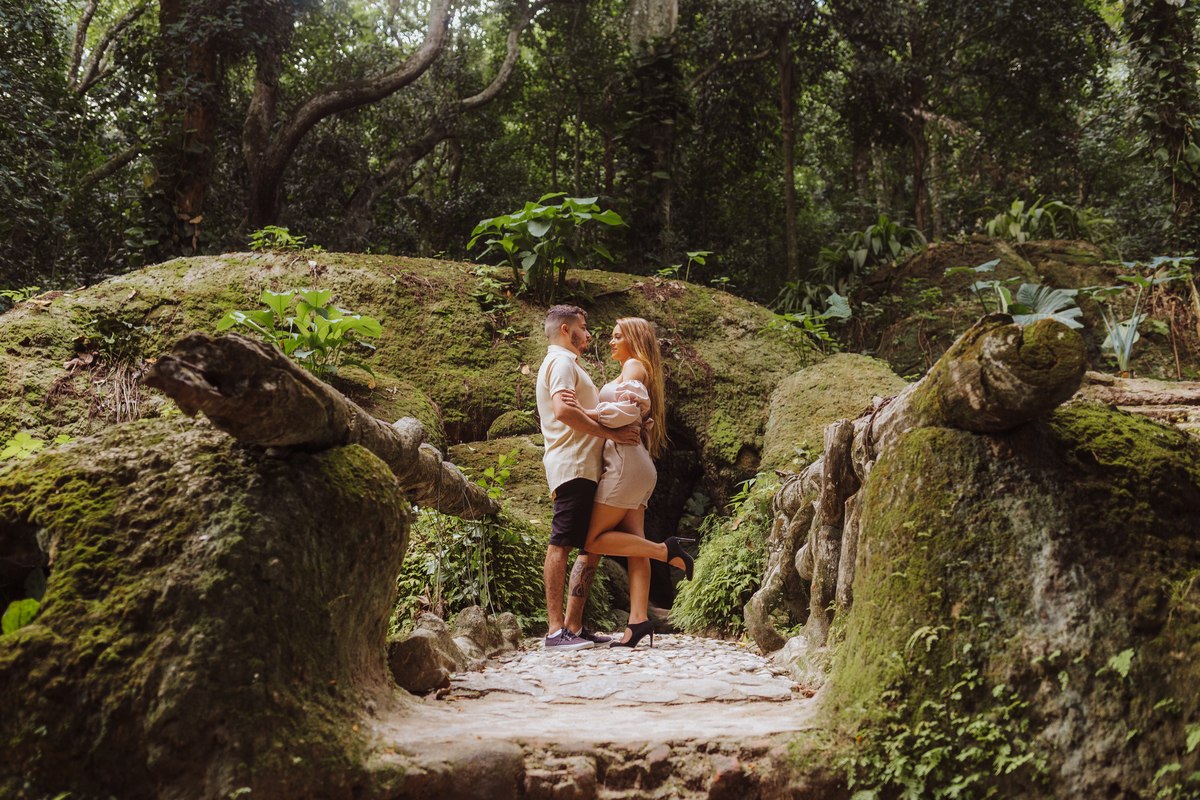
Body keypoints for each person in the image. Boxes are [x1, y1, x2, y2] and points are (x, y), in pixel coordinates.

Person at [561, 317, 694, 649]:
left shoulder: (634, 365)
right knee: (635, 544)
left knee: (591, 540)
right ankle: (637, 622)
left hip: (624, 465)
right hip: (637, 465)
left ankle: (666, 550)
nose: (611, 341)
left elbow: (625, 411)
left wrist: (585, 412)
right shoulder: (634, 369)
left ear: (634, 339)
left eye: (617, 336)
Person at [536, 305, 641, 650]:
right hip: (572, 465)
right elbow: (563, 411)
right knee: (561, 542)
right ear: (566, 330)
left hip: (586, 468)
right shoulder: (561, 362)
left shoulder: (569, 364)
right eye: (583, 326)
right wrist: (611, 434)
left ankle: (574, 626)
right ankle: (555, 631)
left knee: (590, 546)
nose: (589, 333)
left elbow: (577, 408)